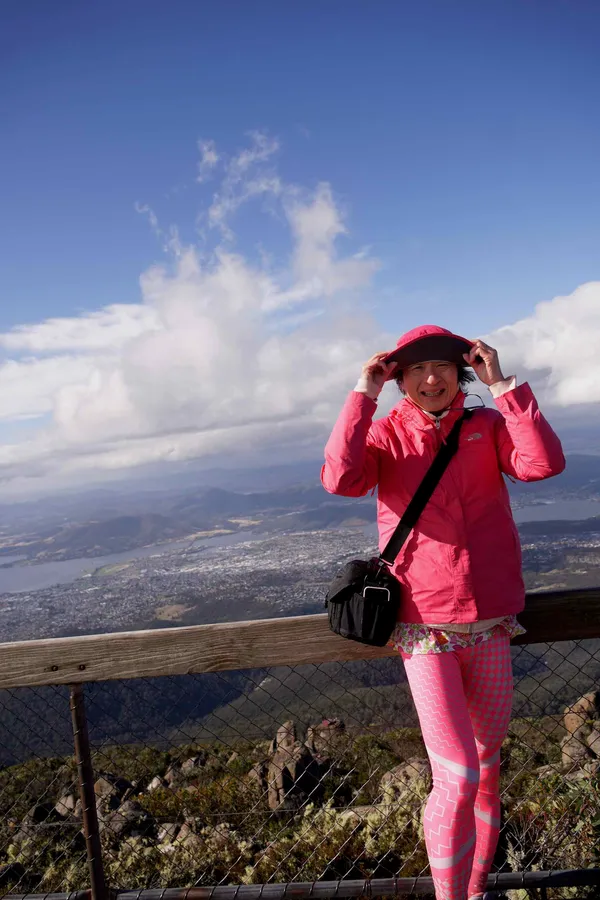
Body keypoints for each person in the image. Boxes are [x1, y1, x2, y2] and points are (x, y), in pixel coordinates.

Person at [321, 324, 565, 900]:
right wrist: (362, 394)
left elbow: (543, 463)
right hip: (425, 628)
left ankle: (476, 889)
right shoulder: (386, 434)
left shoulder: (487, 425)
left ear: (461, 373)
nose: (432, 379)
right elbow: (339, 478)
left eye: (444, 368)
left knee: (486, 768)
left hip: (490, 621)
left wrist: (503, 385)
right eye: (416, 370)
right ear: (400, 379)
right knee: (456, 776)